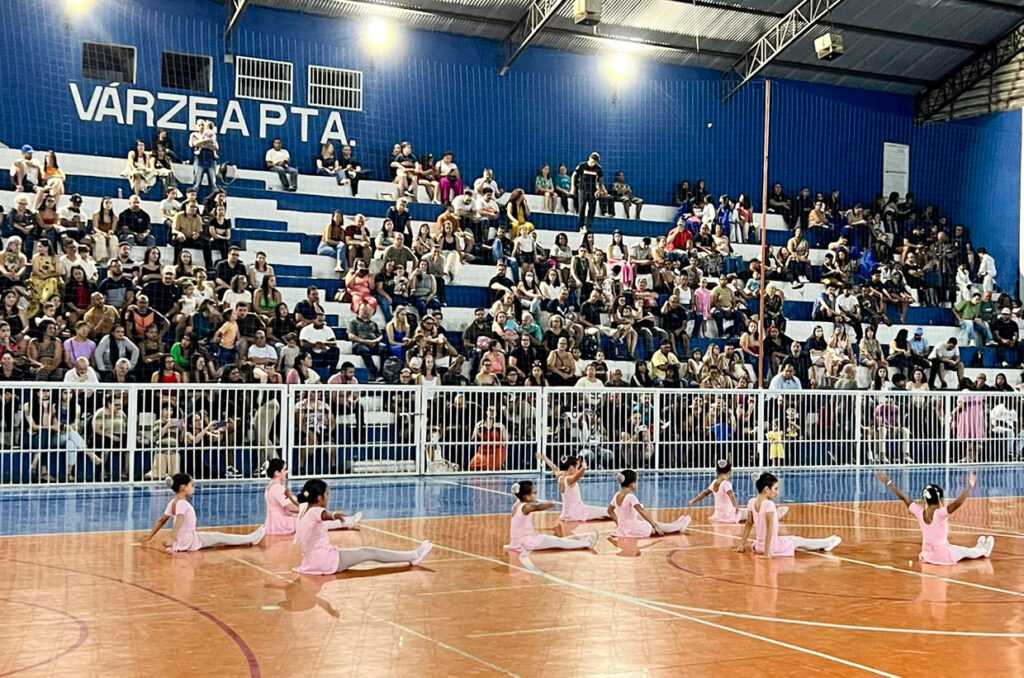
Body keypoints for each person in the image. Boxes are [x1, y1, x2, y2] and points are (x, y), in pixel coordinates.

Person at [293, 479, 433, 574]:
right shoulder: (316, 511)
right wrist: (335, 515)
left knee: (367, 552)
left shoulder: (304, 509)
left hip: (314, 560)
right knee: (370, 552)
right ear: (319, 498)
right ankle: (413, 555)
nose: (329, 497)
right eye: (327, 494)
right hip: (324, 561)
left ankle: (412, 555)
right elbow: (324, 515)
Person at [876, 471, 994, 564]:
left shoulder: (919, 512)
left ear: (924, 499)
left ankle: (979, 549)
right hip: (943, 555)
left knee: (958, 549)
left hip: (928, 555)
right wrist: (970, 487)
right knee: (963, 550)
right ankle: (984, 550)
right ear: (940, 499)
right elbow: (957, 503)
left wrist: (888, 481)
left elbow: (903, 497)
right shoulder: (940, 514)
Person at [140, 473, 265, 552]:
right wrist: (172, 538)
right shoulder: (182, 503)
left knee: (217, 536)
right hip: (189, 540)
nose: (193, 488)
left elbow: (162, 520)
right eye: (191, 485)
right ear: (183, 488)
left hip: (184, 539)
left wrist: (150, 536)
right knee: (220, 537)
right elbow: (179, 519)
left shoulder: (173, 502)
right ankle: (251, 538)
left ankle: (250, 538)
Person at [735, 473, 841, 558]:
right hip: (772, 546)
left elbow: (749, 524)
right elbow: (770, 528)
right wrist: (767, 552)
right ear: (766, 489)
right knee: (797, 540)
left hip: (759, 546)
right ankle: (827, 542)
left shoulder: (751, 502)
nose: (777, 492)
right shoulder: (769, 504)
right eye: (775, 489)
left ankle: (826, 542)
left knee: (793, 539)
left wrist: (742, 544)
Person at [263, 459, 361, 535]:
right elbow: (289, 507)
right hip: (283, 524)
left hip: (278, 523)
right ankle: (348, 521)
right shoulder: (277, 488)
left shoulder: (271, 487)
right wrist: (307, 510)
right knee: (318, 521)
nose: (287, 472)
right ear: (277, 473)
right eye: (284, 470)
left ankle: (347, 521)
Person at [505, 480, 598, 553]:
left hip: (525, 539)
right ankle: (587, 543)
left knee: (555, 540)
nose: (536, 494)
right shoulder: (526, 507)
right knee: (558, 542)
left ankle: (583, 542)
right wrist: (551, 504)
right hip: (527, 542)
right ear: (527, 497)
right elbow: (538, 507)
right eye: (534, 492)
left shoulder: (517, 503)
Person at [688, 459, 789, 523]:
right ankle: (775, 515)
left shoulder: (714, 483)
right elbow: (731, 495)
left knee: (746, 512)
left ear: (717, 472)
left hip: (719, 514)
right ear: (730, 472)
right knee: (752, 513)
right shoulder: (726, 483)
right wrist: (736, 507)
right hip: (729, 513)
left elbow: (704, 493)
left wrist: (693, 500)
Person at [608, 470, 691, 541]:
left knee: (655, 525)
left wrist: (620, 523)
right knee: (658, 525)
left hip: (623, 529)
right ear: (632, 485)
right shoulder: (631, 497)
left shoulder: (616, 495)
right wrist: (654, 525)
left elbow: (610, 511)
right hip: (634, 529)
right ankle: (680, 526)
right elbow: (641, 511)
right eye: (637, 481)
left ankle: (676, 524)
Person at [538, 452, 610, 522]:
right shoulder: (569, 480)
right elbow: (578, 475)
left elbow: (554, 468)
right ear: (571, 468)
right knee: (608, 511)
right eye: (577, 467)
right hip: (577, 512)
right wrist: (583, 468)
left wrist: (545, 458)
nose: (577, 470)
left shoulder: (560, 477)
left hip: (567, 512)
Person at [571, 152, 603, 231]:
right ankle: (581, 225)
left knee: (592, 208)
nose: (593, 163)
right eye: (592, 161)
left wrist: (599, 190)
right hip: (582, 189)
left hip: (593, 190)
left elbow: (600, 180)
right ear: (589, 158)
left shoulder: (598, 168)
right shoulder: (582, 166)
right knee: (582, 207)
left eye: (595, 162)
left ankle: (588, 226)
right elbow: (574, 175)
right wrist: (573, 188)